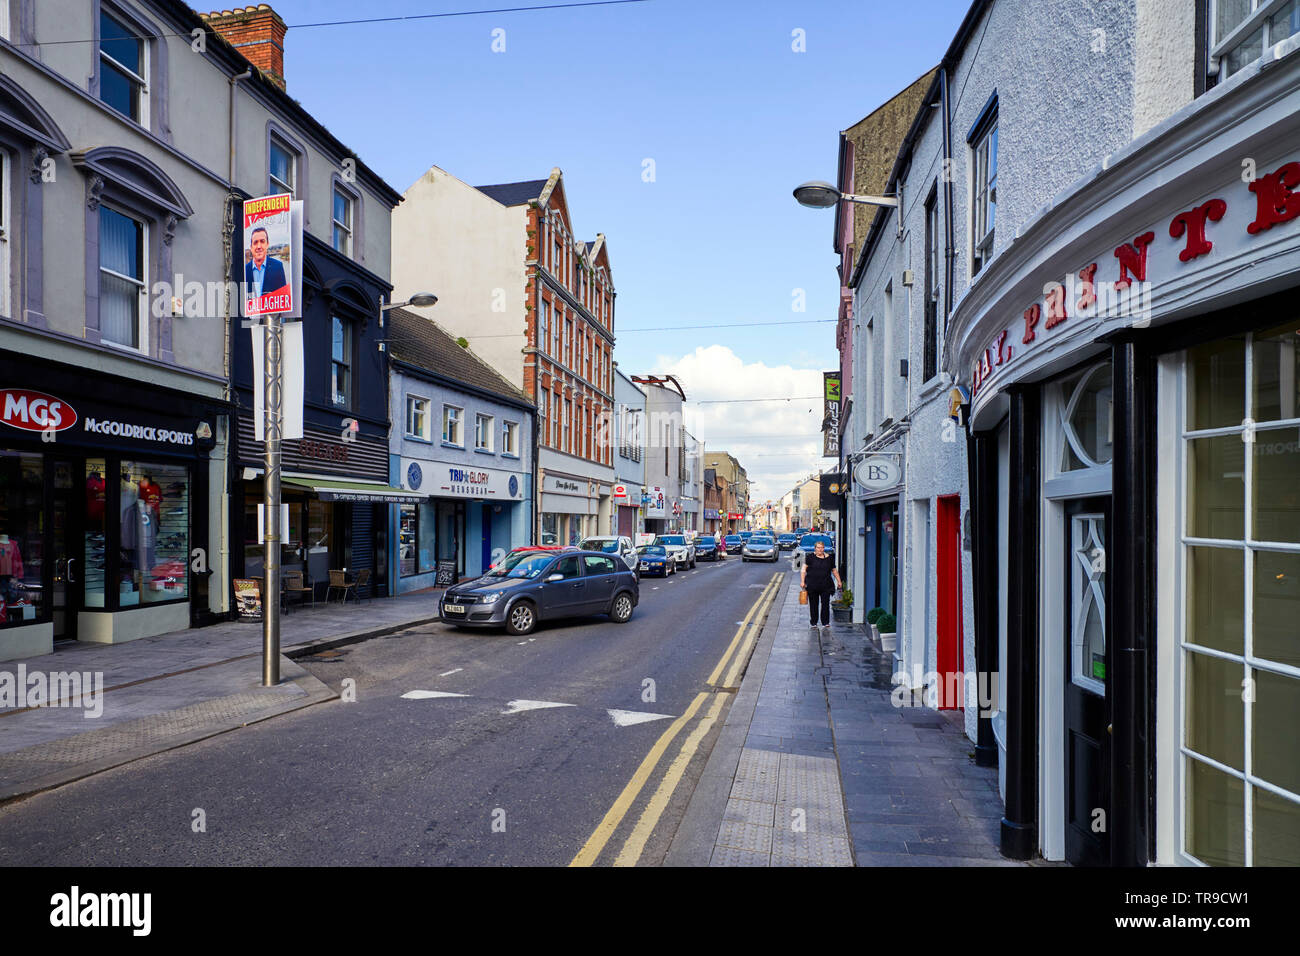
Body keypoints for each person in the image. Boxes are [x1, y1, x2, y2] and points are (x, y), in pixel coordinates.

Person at [800, 538, 840, 628]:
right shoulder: (810, 557)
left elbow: (834, 570)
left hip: (826, 585)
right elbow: (803, 570)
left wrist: (839, 581)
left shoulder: (829, 558)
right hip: (812, 585)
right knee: (814, 605)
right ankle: (814, 622)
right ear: (815, 548)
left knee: (825, 604)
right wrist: (802, 581)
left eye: (822, 548)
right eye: (818, 548)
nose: (820, 549)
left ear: (824, 548)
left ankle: (825, 622)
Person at [245, 226, 289, 299]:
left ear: (267, 244)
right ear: (251, 247)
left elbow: (283, 297)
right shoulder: (245, 270)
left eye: (262, 241)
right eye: (255, 242)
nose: (259, 246)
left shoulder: (278, 266)